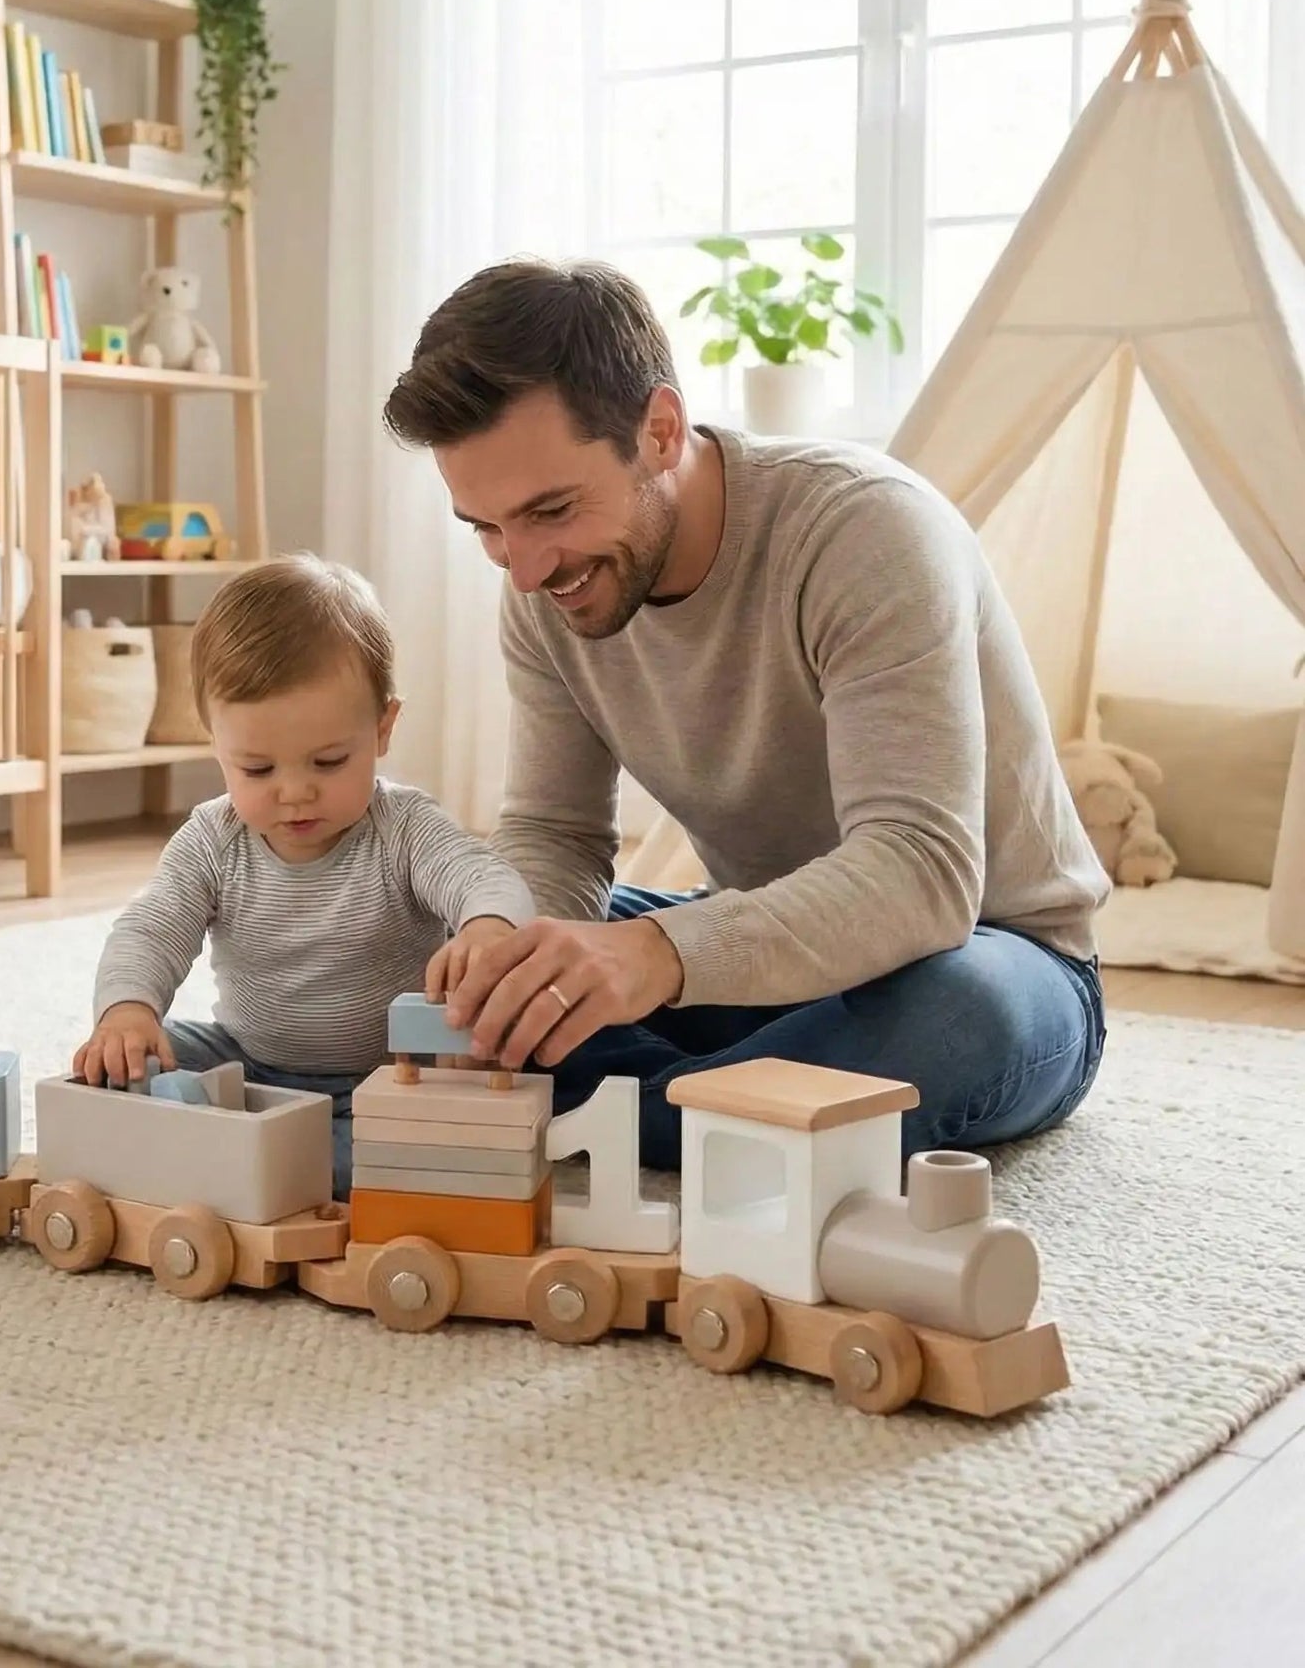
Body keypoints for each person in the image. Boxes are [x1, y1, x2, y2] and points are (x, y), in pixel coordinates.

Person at [379, 257, 1110, 1167]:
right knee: (435, 943)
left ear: (659, 430)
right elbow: (556, 834)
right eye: (487, 528)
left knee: (959, 1016)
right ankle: (730, 1114)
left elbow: (921, 874)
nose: (524, 569)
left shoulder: (867, 531)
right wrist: (502, 939)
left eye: (552, 510)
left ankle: (599, 1112)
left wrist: (654, 956)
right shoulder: (546, 587)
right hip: (769, 959)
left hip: (991, 958)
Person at [75, 554, 537, 1196]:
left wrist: (487, 926)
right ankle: (249, 1144)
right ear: (216, 744)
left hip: (391, 1078)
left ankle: (252, 1153)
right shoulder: (213, 840)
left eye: (328, 762)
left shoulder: (403, 828)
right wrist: (127, 1010)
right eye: (257, 770)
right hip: (247, 1062)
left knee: (432, 1136)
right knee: (119, 1070)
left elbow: (482, 875)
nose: (294, 792)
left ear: (383, 729)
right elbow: (151, 930)